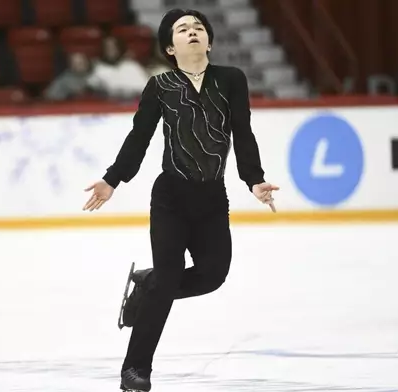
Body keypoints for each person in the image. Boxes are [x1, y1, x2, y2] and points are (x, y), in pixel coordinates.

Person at [82, 9, 279, 392]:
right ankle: (135, 370)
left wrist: (254, 180)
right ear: (170, 47)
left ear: (210, 41)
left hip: (211, 198)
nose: (193, 32)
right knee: (170, 277)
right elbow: (139, 138)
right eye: (183, 29)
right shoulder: (160, 86)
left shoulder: (231, 80)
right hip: (171, 197)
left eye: (199, 28)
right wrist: (112, 179)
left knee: (212, 275)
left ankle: (148, 284)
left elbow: (243, 132)